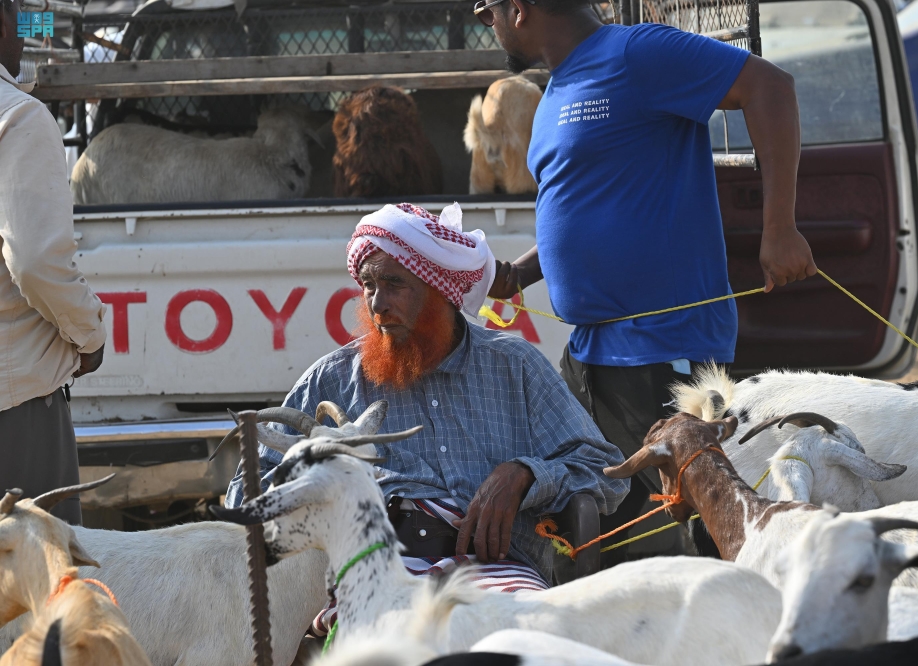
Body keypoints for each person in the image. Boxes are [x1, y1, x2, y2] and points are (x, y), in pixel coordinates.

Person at [478, 0, 817, 562]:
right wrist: (521, 273)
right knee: (595, 530)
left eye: (485, 12)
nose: (486, 24)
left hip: (664, 352)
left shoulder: (636, 52)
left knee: (680, 546)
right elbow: (585, 200)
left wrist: (780, 227)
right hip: (591, 356)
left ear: (518, 9)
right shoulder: (555, 91)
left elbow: (769, 87)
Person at [226, 202, 627, 632]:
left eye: (394, 284)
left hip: (498, 573)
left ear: (440, 290)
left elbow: (606, 473)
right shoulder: (333, 378)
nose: (377, 304)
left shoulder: (515, 365)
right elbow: (244, 496)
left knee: (533, 640)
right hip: (373, 572)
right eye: (368, 285)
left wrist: (525, 475)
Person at [0, 0, 107, 525]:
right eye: (20, 16)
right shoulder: (17, 116)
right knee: (39, 589)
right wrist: (89, 336)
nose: (24, 33)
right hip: (14, 402)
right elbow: (38, 262)